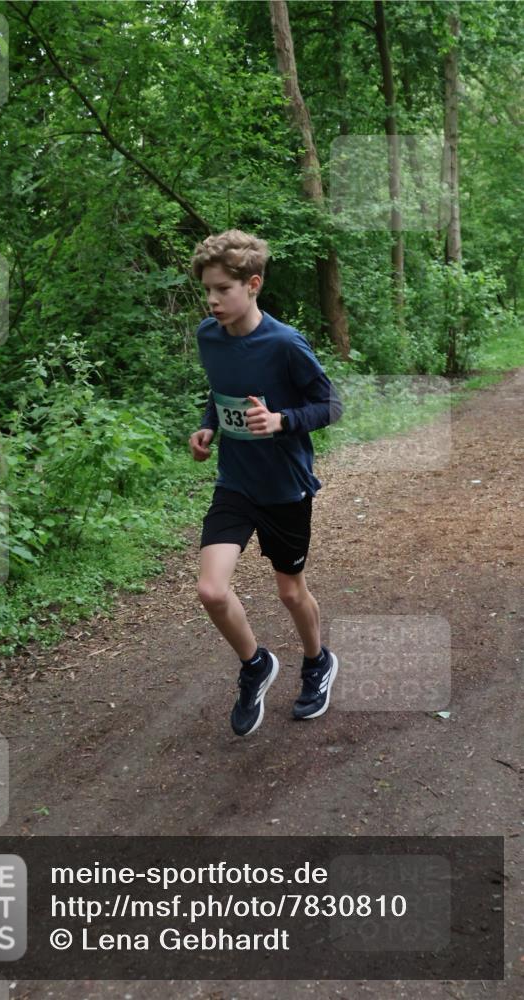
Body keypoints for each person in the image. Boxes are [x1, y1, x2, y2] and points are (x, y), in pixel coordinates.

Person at [188, 229, 344, 738]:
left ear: (252, 284)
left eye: (222, 290)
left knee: (290, 593)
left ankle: (317, 661)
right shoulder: (207, 337)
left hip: (285, 487)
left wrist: (281, 421)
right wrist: (209, 424)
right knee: (212, 589)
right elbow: (221, 391)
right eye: (207, 290)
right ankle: (255, 664)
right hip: (236, 482)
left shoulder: (285, 343)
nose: (212, 300)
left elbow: (330, 405)